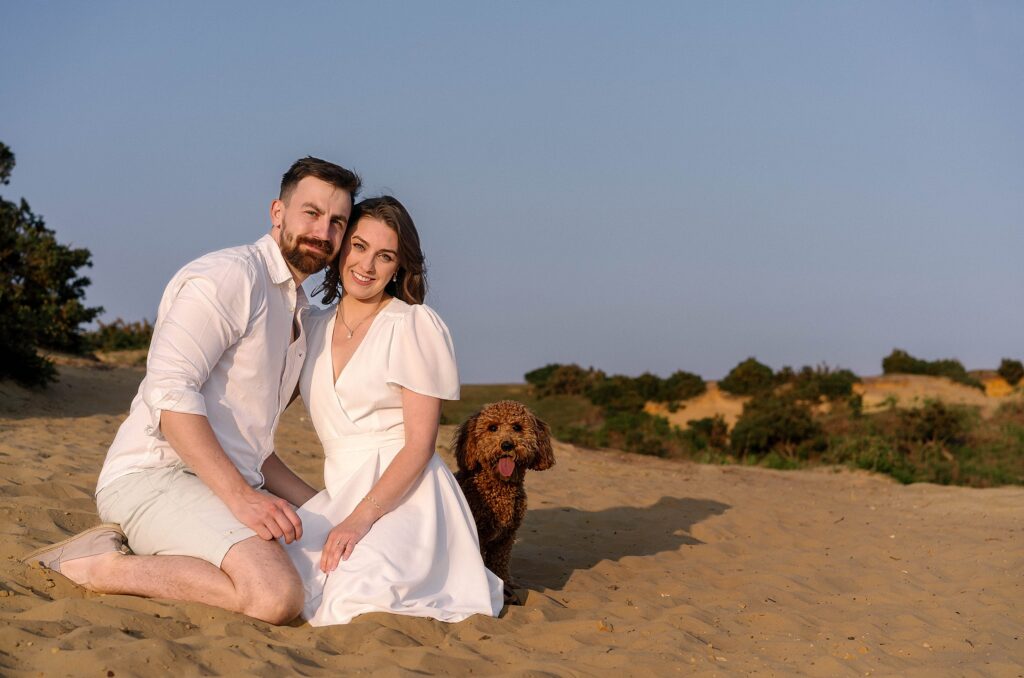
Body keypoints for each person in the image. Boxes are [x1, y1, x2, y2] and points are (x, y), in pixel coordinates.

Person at [22, 157, 360, 624]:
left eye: (337, 222)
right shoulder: (230, 277)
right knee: (275, 596)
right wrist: (243, 499)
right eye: (312, 213)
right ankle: (98, 566)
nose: (323, 232)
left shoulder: (295, 310)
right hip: (153, 477)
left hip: (221, 485)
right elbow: (170, 396)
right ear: (277, 212)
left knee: (340, 565)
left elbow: (254, 450)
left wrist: (328, 508)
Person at [283, 196, 503, 625]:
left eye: (384, 256)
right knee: (280, 574)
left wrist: (357, 522)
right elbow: (259, 421)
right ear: (340, 246)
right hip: (339, 496)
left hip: (407, 498)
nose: (367, 265)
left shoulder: (412, 326)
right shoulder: (310, 327)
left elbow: (419, 447)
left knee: (358, 592)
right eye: (359, 247)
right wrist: (313, 506)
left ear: (399, 266)